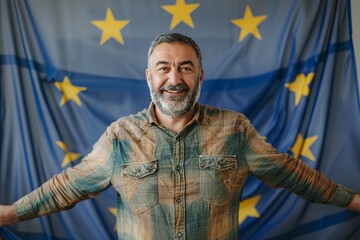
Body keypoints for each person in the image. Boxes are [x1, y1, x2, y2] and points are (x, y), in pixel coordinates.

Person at [0, 33, 359, 239]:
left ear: (200, 77)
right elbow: (66, 187)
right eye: (164, 68)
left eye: (185, 68)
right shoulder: (120, 136)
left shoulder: (234, 129)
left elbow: (292, 173)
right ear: (149, 77)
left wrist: (353, 202)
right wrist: (11, 215)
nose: (175, 79)